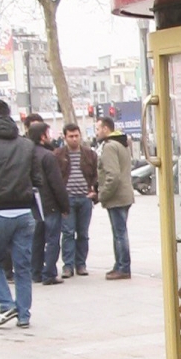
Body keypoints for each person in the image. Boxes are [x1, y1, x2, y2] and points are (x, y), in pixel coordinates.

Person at [0, 99, 43, 328]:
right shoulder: (26, 144)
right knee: (23, 266)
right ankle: (24, 314)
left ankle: (6, 304)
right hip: (24, 211)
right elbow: (37, 179)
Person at [28, 122, 69, 285]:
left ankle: (36, 271)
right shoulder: (48, 156)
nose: (50, 136)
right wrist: (64, 205)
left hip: (33, 204)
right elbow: (56, 183)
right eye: (48, 133)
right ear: (42, 137)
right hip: (50, 203)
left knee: (37, 239)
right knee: (52, 239)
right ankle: (49, 273)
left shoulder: (27, 154)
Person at [56, 122, 98, 276]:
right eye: (70, 136)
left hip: (84, 199)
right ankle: (68, 266)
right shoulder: (58, 154)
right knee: (68, 233)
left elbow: (96, 175)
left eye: (76, 136)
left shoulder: (89, 154)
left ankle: (81, 264)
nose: (74, 139)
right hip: (67, 199)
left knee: (83, 233)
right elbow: (55, 177)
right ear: (65, 137)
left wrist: (94, 192)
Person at [95, 115, 133, 280]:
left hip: (116, 196)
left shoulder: (110, 147)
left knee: (119, 233)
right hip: (124, 195)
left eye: (97, 129)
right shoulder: (121, 144)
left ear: (105, 129)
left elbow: (113, 175)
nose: (96, 133)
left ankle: (123, 266)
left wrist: (102, 193)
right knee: (120, 231)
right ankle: (120, 265)